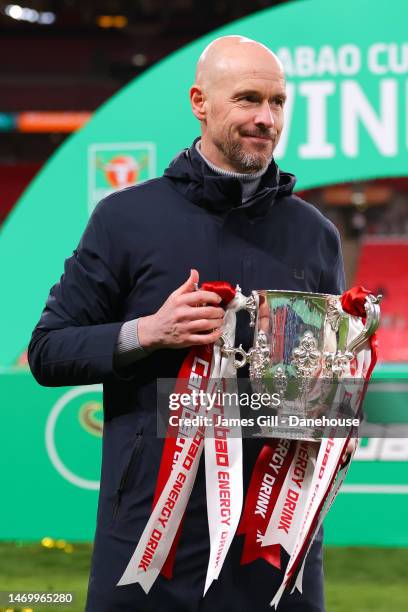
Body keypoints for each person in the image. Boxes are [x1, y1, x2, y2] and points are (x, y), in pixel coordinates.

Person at [28, 36, 345, 612]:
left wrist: (338, 385)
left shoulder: (315, 234)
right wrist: (147, 332)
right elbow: (48, 350)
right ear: (200, 102)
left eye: (277, 102)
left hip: (273, 548)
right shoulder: (124, 218)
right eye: (248, 99)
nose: (264, 118)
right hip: (149, 544)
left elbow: (318, 391)